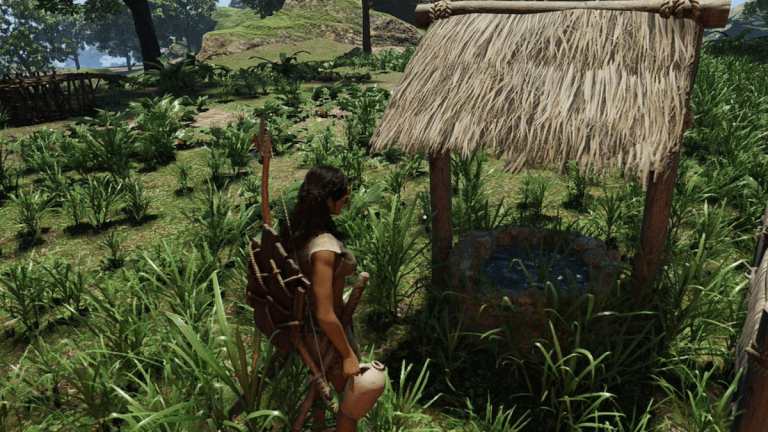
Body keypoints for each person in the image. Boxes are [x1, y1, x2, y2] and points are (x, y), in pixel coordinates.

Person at [280, 165, 363, 432]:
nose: (346, 202)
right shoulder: (323, 247)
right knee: (354, 400)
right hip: (326, 336)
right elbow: (325, 313)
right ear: (328, 199)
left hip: (309, 331)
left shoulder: (299, 232)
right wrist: (347, 354)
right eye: (342, 198)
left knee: (320, 401)